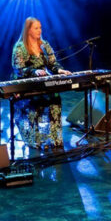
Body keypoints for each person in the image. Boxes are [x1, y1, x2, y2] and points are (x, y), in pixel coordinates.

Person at [12, 17, 70, 150]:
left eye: (40, 28)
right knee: (35, 102)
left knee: (55, 98)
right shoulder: (20, 47)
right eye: (36, 28)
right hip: (26, 84)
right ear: (28, 30)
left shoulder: (44, 45)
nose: (39, 31)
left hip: (43, 82)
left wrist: (60, 70)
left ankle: (55, 139)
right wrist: (34, 71)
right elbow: (18, 69)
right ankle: (34, 138)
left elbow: (52, 64)